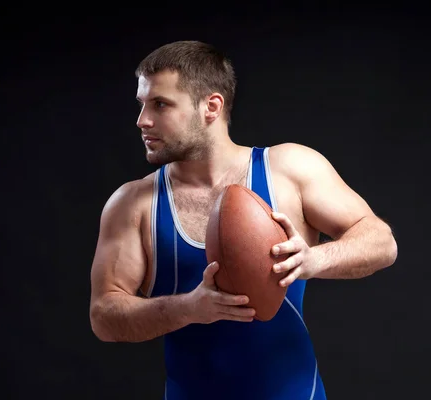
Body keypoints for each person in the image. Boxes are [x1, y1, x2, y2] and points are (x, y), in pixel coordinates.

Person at [88, 40, 398, 400]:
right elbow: (104, 316)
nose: (143, 121)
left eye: (160, 104)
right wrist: (187, 308)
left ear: (211, 106)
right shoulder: (132, 204)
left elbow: (381, 241)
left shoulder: (289, 170)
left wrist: (313, 259)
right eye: (142, 105)